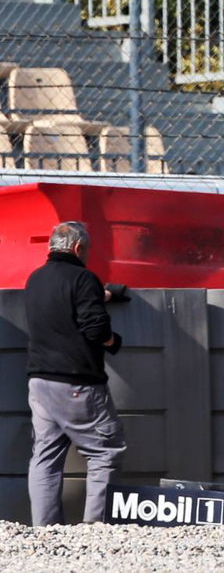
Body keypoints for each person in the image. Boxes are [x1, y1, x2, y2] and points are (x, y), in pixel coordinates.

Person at [25, 220, 126, 525]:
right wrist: (114, 341)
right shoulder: (83, 279)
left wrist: (102, 295)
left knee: (45, 458)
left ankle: (45, 530)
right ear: (79, 248)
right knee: (105, 452)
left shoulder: (36, 279)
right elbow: (96, 328)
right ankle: (94, 531)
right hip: (77, 385)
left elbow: (65, 304)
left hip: (40, 383)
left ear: (51, 247)